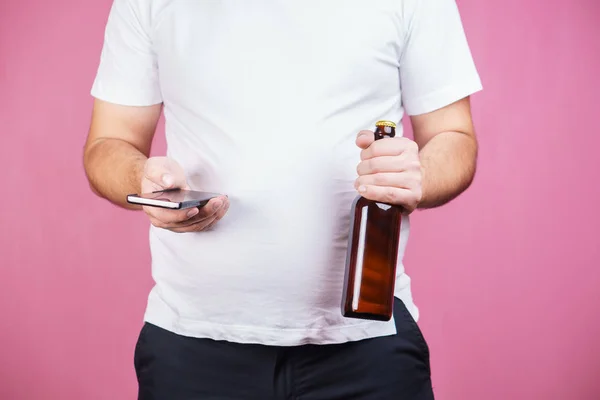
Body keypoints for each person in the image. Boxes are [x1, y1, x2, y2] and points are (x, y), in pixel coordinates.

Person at [83, 0, 482, 398]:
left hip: (369, 343)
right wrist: (142, 181)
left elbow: (454, 136)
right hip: (191, 343)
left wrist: (419, 176)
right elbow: (109, 142)